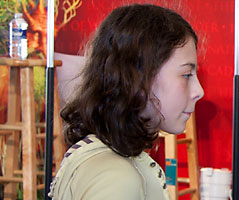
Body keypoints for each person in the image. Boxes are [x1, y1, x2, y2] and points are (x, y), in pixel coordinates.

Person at [49, 4, 204, 199]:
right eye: (187, 75)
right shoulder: (117, 178)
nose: (199, 91)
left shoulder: (103, 159)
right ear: (139, 78)